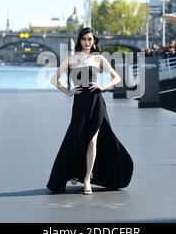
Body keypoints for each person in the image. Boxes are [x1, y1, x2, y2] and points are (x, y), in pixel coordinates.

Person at [47, 27, 134, 195]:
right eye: (84, 39)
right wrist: (69, 91)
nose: (87, 42)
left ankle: (87, 179)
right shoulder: (71, 59)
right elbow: (53, 79)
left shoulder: (99, 58)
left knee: (93, 141)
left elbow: (117, 77)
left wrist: (103, 86)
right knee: (76, 139)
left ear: (94, 41)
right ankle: (75, 172)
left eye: (90, 39)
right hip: (79, 103)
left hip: (96, 102)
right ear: (80, 40)